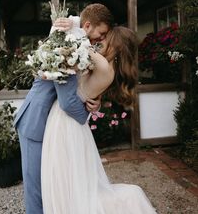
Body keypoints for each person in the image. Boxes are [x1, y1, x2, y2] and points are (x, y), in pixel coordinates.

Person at [41, 26, 158, 214]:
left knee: (67, 178)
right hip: (68, 121)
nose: (99, 41)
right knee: (70, 178)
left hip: (66, 122)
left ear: (116, 45)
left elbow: (77, 45)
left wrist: (69, 24)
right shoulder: (104, 67)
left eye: (106, 38)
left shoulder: (104, 67)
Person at [14, 3, 114, 214]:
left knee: (53, 187)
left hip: (52, 126)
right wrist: (87, 113)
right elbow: (68, 101)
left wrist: (94, 100)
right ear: (87, 26)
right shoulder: (68, 43)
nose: (101, 39)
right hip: (36, 121)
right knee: (37, 192)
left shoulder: (77, 40)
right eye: (101, 33)